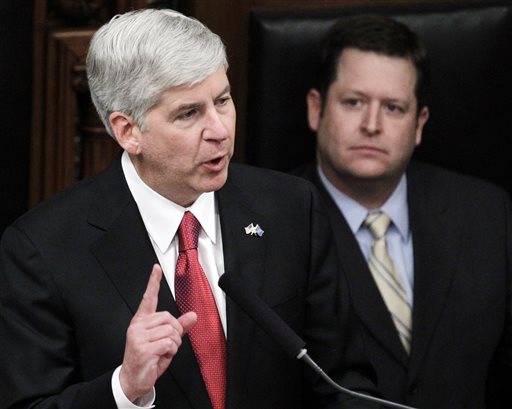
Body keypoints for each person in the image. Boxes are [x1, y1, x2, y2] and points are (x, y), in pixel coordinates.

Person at [0, 8, 378, 409]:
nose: (219, 130)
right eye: (188, 113)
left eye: (223, 100)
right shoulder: (42, 250)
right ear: (128, 131)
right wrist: (124, 390)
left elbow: (345, 385)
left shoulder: (290, 209)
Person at [295, 14, 512, 409]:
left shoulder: (487, 214)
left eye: (393, 108)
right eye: (354, 102)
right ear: (316, 108)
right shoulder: (276, 222)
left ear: (418, 125)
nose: (372, 125)